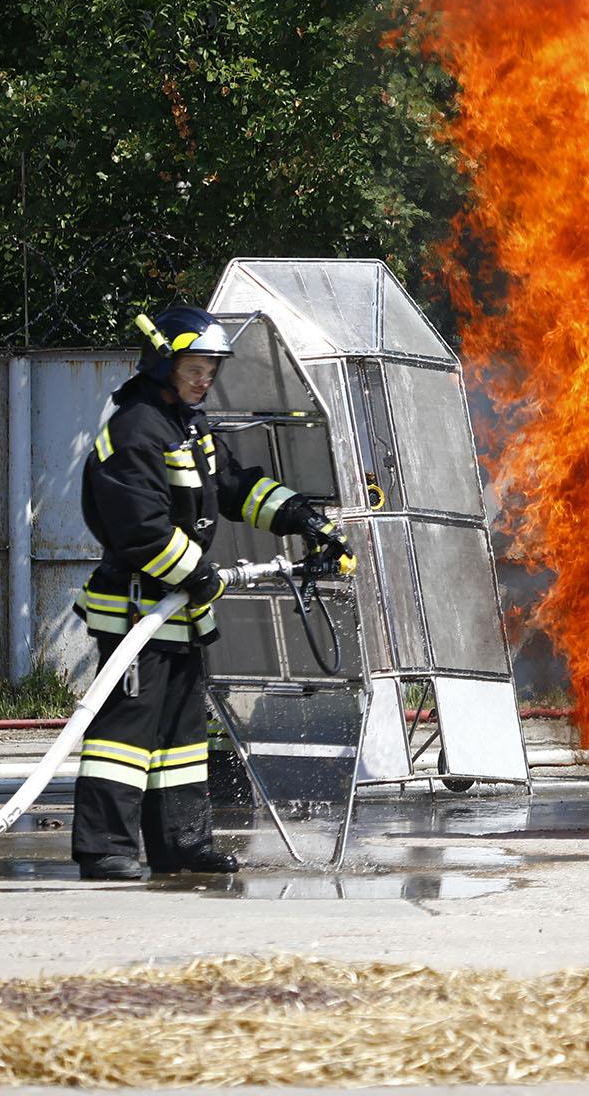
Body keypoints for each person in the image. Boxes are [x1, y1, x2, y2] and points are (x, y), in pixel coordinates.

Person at [72, 307, 353, 881]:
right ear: (163, 364)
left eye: (211, 369)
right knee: (124, 736)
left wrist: (303, 518)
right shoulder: (135, 431)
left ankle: (182, 843)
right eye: (194, 368)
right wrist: (197, 573)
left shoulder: (188, 427)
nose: (204, 380)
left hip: (177, 612)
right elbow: (139, 528)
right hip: (137, 611)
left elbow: (235, 486)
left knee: (180, 736)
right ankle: (104, 849)